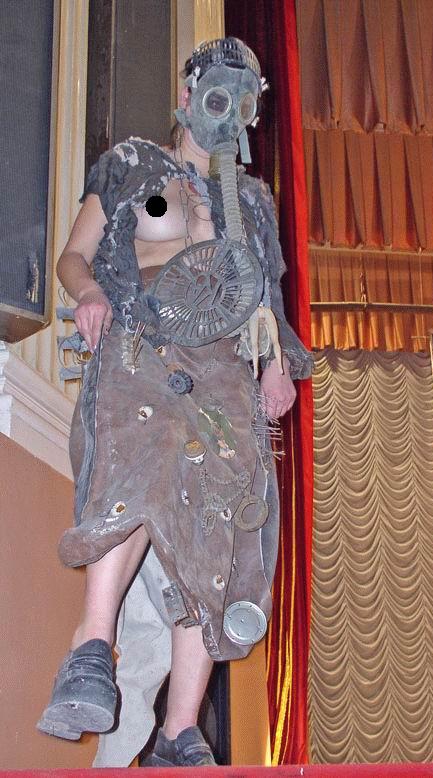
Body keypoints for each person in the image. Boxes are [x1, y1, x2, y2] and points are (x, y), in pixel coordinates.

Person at [37, 37, 313, 767]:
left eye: (244, 106)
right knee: (144, 468)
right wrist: (90, 294)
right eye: (218, 99)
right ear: (188, 99)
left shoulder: (249, 201)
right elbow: (74, 254)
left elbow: (265, 296)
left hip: (222, 367)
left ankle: (180, 728)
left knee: (215, 527)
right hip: (144, 342)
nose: (230, 117)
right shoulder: (133, 164)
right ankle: (92, 651)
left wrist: (275, 366)